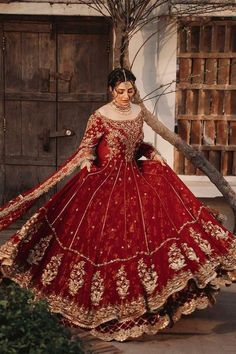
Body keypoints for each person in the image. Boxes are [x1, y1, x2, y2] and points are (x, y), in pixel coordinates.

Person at [0, 68, 236, 342]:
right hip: (103, 184)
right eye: (120, 91)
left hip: (133, 180)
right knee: (100, 242)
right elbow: (87, 146)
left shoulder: (136, 114)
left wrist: (152, 153)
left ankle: (145, 307)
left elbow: (138, 146)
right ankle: (92, 307)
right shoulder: (100, 116)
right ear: (111, 90)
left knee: (141, 237)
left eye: (130, 91)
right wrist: (87, 159)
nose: (126, 96)